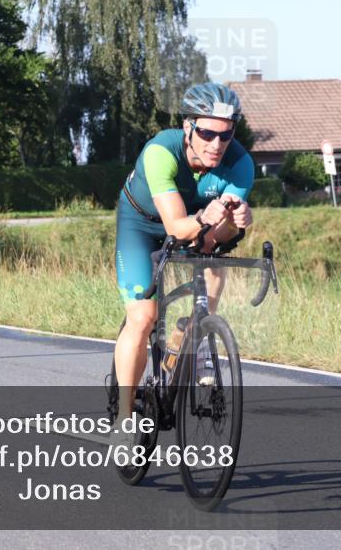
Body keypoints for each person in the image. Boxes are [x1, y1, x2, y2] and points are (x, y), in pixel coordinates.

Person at [113, 82, 255, 427]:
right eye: (207, 134)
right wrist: (204, 219)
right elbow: (177, 227)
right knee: (144, 318)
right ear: (187, 127)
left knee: (214, 259)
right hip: (142, 225)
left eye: (226, 135)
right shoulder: (161, 151)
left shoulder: (240, 164)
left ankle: (199, 339)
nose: (217, 144)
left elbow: (211, 240)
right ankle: (124, 417)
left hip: (195, 221)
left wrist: (236, 224)